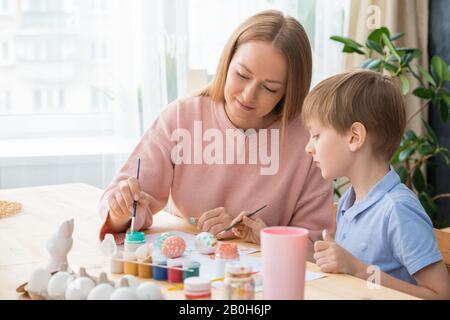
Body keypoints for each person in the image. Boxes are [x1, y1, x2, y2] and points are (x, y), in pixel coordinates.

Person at [98, 10, 333, 250]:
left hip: (266, 279)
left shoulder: (309, 141)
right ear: (226, 63)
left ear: (288, 91)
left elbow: (316, 245)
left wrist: (260, 235)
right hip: (187, 270)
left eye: (270, 88)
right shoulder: (181, 117)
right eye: (242, 75)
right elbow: (120, 208)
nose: (248, 95)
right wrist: (121, 210)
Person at [298, 69, 450, 299]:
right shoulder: (348, 203)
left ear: (355, 137)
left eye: (316, 135)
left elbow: (440, 294)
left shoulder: (397, 210)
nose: (308, 147)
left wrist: (359, 270)